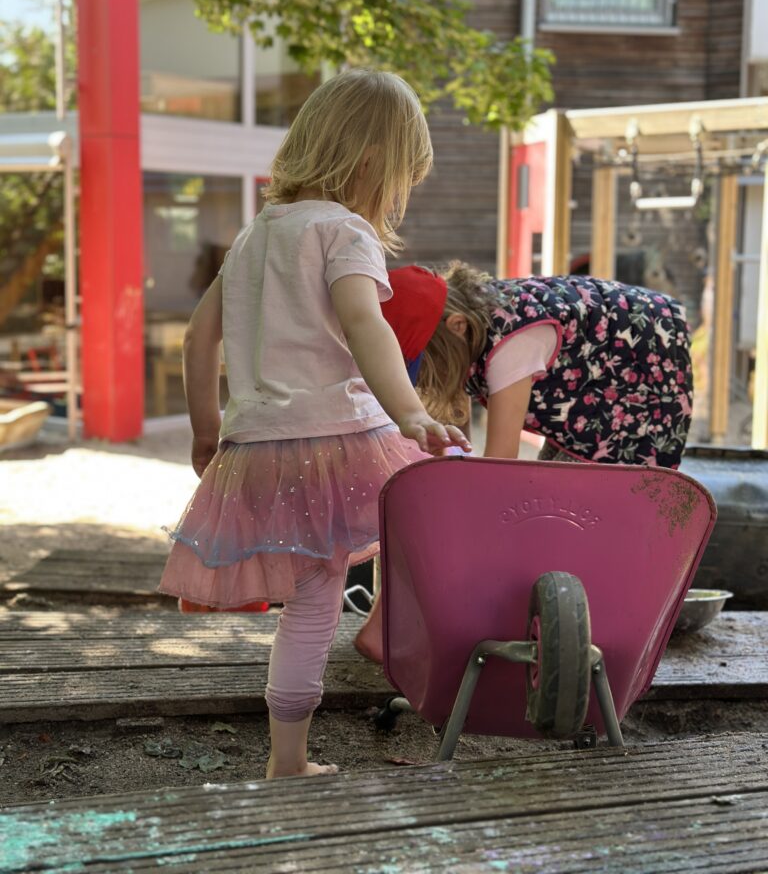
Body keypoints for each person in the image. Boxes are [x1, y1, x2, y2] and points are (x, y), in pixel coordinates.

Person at [158, 70, 471, 779]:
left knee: (307, 605)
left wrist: (207, 433)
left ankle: (287, 759)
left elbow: (195, 340)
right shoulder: (343, 231)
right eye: (401, 180)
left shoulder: (251, 238)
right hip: (340, 438)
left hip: (258, 447)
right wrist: (413, 413)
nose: (398, 197)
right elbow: (367, 327)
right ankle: (431, 643)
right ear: (370, 163)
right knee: (433, 501)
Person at [352, 259, 693, 663]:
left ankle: (597, 628)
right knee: (544, 497)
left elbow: (501, 468)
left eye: (427, 365)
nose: (424, 379)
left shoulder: (511, 343)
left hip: (640, 381)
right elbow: (457, 444)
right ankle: (397, 628)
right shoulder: (473, 324)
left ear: (457, 327)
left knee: (581, 511)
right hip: (594, 381)